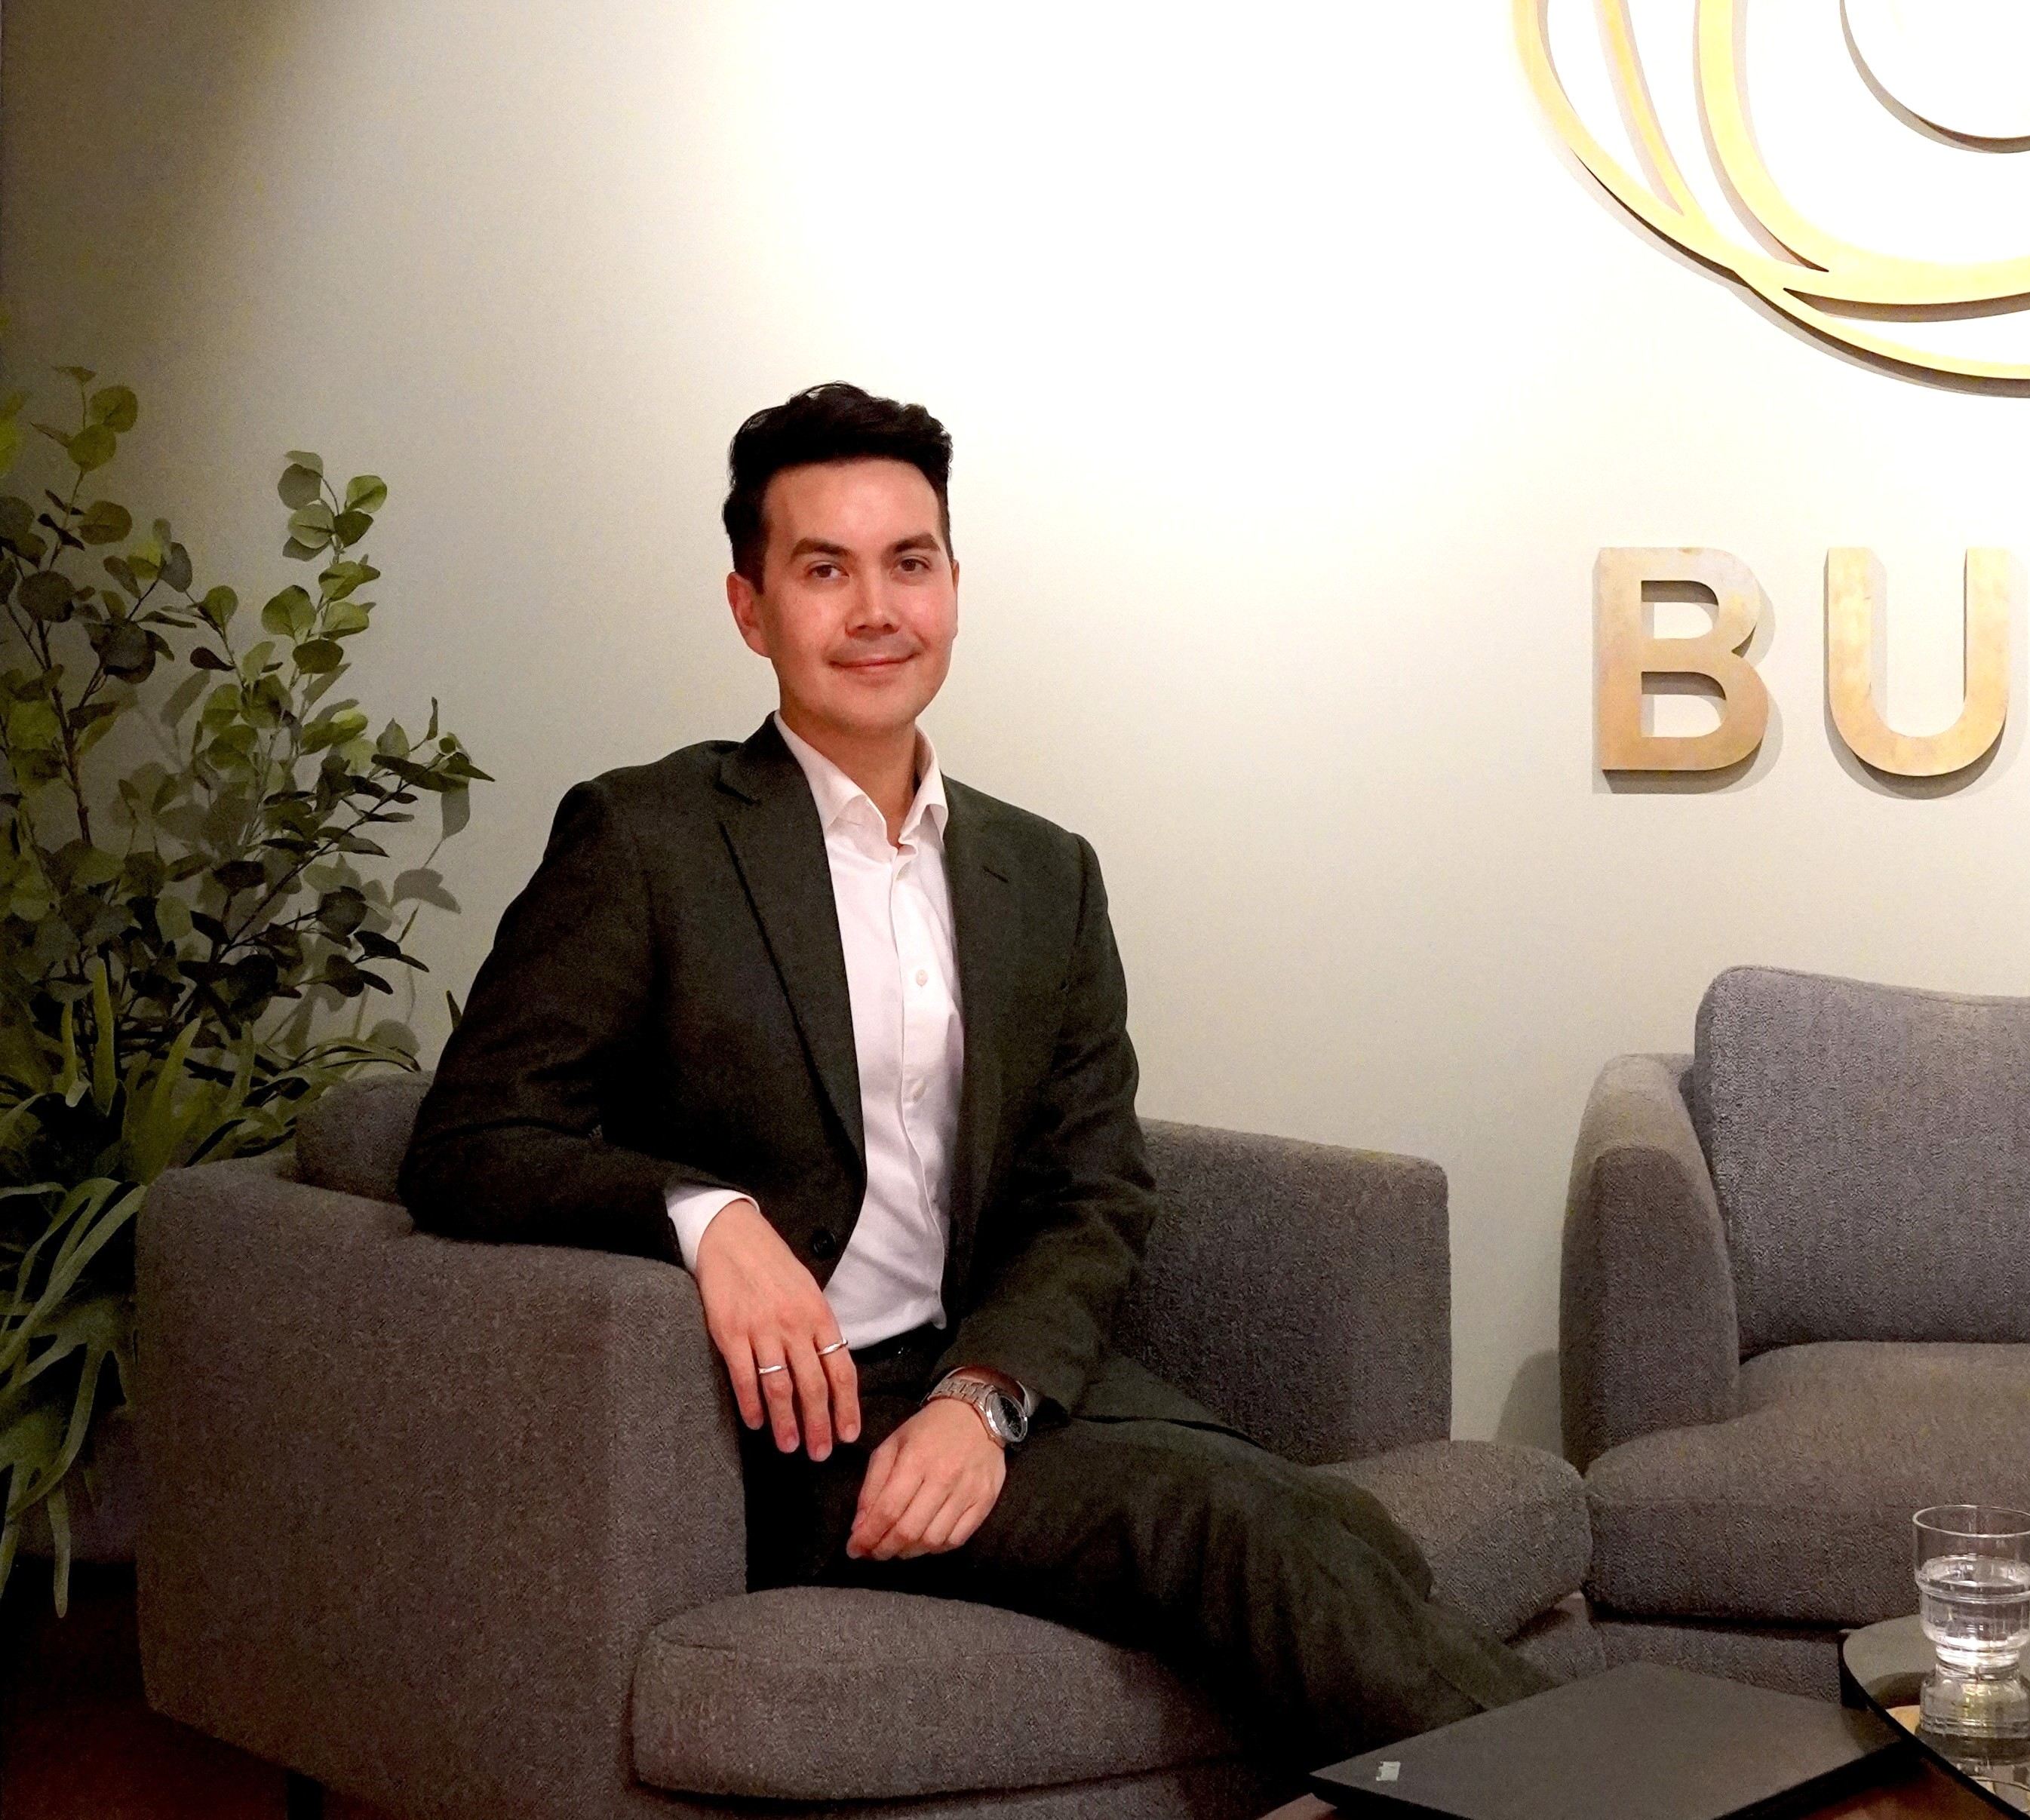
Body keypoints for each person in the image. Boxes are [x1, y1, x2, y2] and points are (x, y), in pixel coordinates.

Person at [395, 382, 1551, 1767]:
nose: (876, 609)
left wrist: (982, 1397)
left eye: (910, 562)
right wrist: (709, 1216)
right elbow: (469, 1138)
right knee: (1239, 1530)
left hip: (986, 1386)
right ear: (750, 608)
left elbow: (1091, 1189)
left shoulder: (1042, 872)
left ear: (953, 586)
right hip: (793, 1437)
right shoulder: (648, 840)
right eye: (824, 569)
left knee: (1341, 1533)